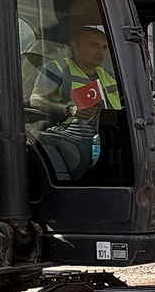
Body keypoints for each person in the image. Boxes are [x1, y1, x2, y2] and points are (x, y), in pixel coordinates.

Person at [27, 26, 121, 180]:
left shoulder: (110, 76)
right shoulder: (57, 69)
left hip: (111, 135)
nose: (101, 51)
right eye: (94, 45)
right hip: (72, 136)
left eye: (104, 47)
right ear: (74, 45)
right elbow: (36, 99)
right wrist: (70, 110)